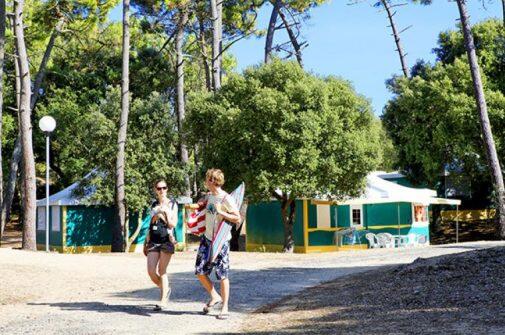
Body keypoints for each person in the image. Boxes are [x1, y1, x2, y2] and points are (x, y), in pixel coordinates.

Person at [195, 169, 241, 320]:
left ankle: (225, 307)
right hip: (207, 239)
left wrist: (223, 214)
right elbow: (203, 205)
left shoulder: (226, 198)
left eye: (207, 179)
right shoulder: (209, 196)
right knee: (200, 271)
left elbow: (237, 219)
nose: (205, 181)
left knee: (222, 274)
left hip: (221, 241)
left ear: (213, 181)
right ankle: (215, 296)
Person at [143, 179, 178, 311]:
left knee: (162, 271)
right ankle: (166, 289)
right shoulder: (154, 204)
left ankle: (163, 299)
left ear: (167, 189)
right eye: (159, 188)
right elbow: (151, 223)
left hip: (166, 240)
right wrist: (146, 241)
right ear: (155, 190)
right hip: (153, 239)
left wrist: (163, 215)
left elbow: (173, 224)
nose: (162, 191)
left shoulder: (173, 204)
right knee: (151, 272)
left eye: (164, 188)